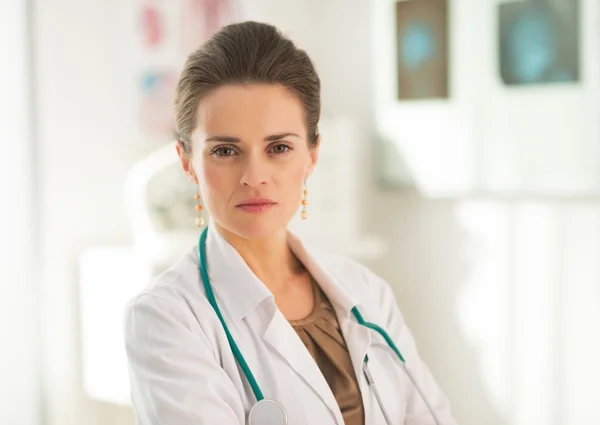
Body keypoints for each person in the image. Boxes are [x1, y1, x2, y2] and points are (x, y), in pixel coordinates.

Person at [124, 21, 458, 425]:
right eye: (226, 150)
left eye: (279, 147)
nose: (254, 175)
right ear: (187, 161)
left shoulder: (367, 294)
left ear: (312, 155)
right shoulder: (166, 319)